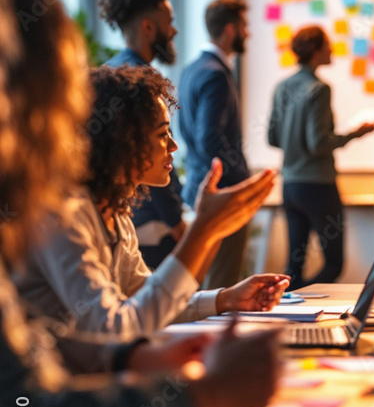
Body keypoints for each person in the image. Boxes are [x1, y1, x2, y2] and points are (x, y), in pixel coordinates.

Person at [0, 0, 280, 407]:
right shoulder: (59, 213)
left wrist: (215, 302)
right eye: (53, 113)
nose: (60, 140)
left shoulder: (112, 212)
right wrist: (202, 395)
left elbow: (54, 342)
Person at [13, 64, 287, 351]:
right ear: (123, 142)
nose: (173, 146)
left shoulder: (116, 213)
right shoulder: (63, 214)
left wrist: (226, 299)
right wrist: (203, 232)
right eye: (161, 134)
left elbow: (145, 300)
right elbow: (115, 330)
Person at [268, 26, 374, 290]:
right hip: (318, 187)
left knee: (294, 266)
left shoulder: (282, 86)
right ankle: (301, 300)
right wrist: (356, 134)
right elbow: (318, 144)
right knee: (333, 264)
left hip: (291, 185)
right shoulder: (319, 89)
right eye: (328, 45)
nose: (332, 50)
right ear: (316, 51)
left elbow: (273, 139)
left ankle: (289, 308)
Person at [98, 0, 184, 269]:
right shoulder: (136, 86)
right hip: (149, 223)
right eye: (169, 21)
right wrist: (177, 223)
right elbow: (147, 153)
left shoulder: (112, 72)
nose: (174, 30)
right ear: (148, 26)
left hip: (132, 217)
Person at [179, 0, 251, 288]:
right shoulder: (216, 75)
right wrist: (242, 183)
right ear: (231, 29)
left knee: (202, 283)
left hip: (198, 185)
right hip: (222, 192)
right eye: (245, 26)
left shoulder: (192, 69)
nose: (248, 33)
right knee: (220, 286)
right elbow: (210, 140)